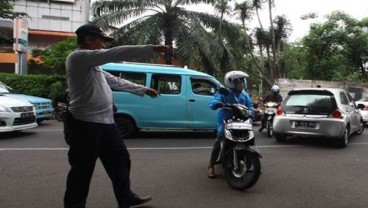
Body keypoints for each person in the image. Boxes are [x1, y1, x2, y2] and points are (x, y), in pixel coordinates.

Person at [63, 23, 169, 208]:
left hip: (107, 124)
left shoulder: (94, 67)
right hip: (85, 125)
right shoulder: (78, 57)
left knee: (121, 160)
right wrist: (150, 48)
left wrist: (143, 89)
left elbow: (116, 81)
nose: (103, 46)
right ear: (88, 39)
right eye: (101, 41)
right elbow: (114, 53)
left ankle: (125, 197)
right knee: (82, 171)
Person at [207, 71, 254, 178]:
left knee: (249, 139)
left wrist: (251, 114)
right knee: (219, 140)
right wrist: (217, 103)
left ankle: (250, 160)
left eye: (242, 81)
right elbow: (213, 103)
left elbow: (250, 107)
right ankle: (211, 165)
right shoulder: (224, 92)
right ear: (231, 82)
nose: (242, 84)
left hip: (241, 121)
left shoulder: (245, 95)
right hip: (226, 121)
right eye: (239, 81)